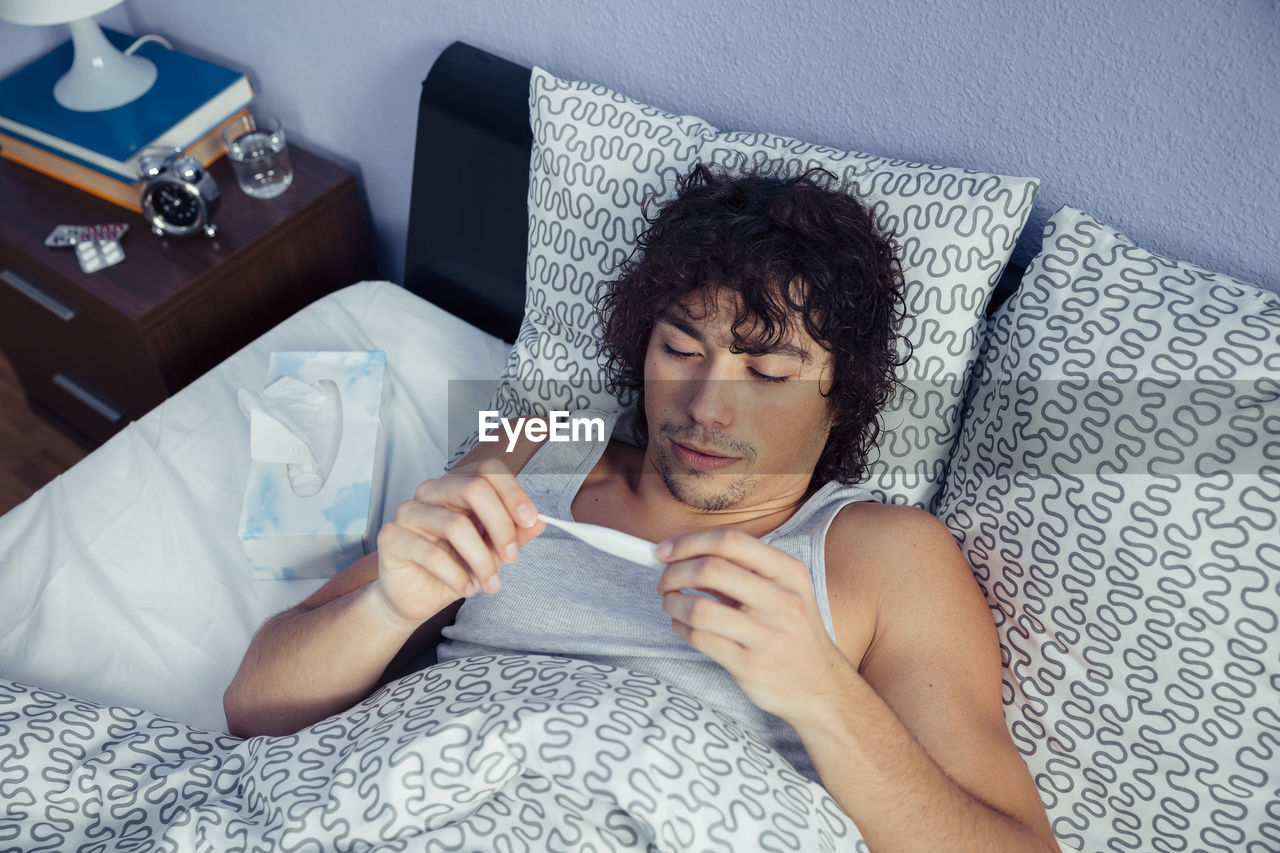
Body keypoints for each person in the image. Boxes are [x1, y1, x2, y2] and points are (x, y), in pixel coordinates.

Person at [224, 165, 1061, 852]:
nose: (706, 407)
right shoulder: (536, 443)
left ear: (845, 397)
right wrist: (386, 605)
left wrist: (819, 692)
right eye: (680, 347)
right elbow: (256, 706)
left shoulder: (882, 553)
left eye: (767, 374)